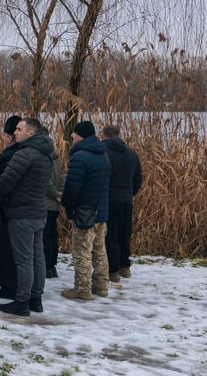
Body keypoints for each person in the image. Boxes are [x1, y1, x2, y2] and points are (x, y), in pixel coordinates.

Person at [0, 118, 55, 316]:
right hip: (39, 212)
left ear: (31, 133)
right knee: (38, 257)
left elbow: (5, 183)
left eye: (19, 129)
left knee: (24, 259)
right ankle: (36, 299)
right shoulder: (47, 155)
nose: (15, 132)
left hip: (22, 213)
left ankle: (22, 300)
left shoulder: (24, 155)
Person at [61, 120, 112, 301]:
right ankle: (101, 286)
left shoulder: (80, 156)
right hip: (101, 211)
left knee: (82, 250)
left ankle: (82, 288)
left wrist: (67, 205)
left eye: (74, 133)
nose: (72, 136)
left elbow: (72, 187)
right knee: (99, 249)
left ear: (81, 135)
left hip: (85, 211)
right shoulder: (103, 155)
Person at [0, 115, 23, 299]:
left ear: (10, 137)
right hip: (26, 209)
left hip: (6, 209)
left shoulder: (9, 157)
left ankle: (8, 285)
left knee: (6, 248)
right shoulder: (35, 153)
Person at [101, 125, 142, 282]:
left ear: (104, 135)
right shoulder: (132, 154)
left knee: (110, 235)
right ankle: (125, 267)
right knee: (124, 234)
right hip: (126, 200)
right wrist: (130, 193)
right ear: (119, 134)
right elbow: (138, 178)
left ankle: (113, 270)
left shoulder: (103, 152)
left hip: (109, 199)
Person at [44, 126, 64, 279]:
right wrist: (61, 192)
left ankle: (47, 266)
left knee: (45, 235)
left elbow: (45, 179)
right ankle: (52, 266)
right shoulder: (56, 152)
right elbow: (62, 175)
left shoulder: (43, 153)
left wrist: (54, 193)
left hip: (45, 200)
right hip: (55, 202)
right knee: (52, 234)